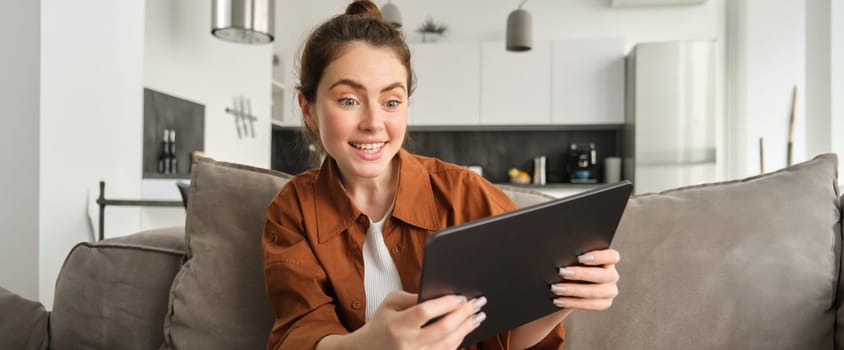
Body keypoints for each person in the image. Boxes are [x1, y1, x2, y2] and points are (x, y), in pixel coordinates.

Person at [262, 1, 621, 349]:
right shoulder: (292, 211)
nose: (374, 123)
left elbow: (509, 338)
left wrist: (568, 295)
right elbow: (299, 332)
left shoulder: (467, 194)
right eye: (349, 100)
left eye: (391, 101)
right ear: (308, 109)